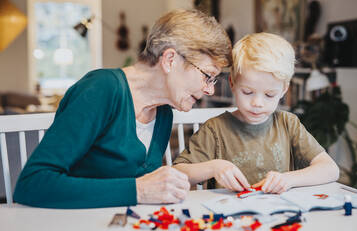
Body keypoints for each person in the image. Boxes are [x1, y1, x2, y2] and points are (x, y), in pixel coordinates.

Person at [13, 9, 232, 208]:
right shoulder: (102, 89)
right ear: (170, 59)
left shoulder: (163, 112)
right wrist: (139, 190)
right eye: (207, 76)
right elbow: (33, 184)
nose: (209, 90)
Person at [173, 33, 339, 194]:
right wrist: (213, 167)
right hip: (230, 217)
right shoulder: (214, 129)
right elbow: (177, 174)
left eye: (269, 95)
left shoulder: (288, 124)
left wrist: (289, 179)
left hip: (280, 215)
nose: (257, 103)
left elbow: (330, 169)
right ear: (232, 83)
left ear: (284, 90)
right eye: (247, 92)